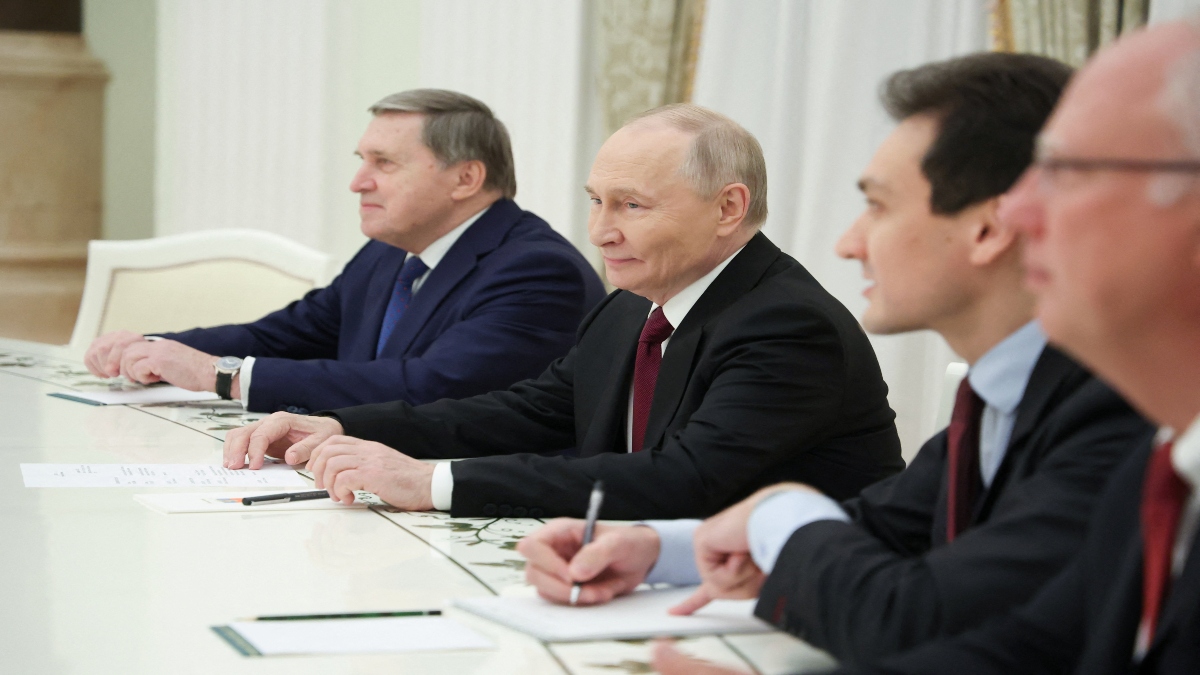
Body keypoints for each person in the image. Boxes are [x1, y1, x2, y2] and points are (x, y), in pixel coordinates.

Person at [517, 51, 1154, 668]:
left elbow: (913, 615)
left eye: (878, 206)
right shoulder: (1006, 389)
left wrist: (776, 510)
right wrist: (658, 549)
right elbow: (885, 524)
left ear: (989, 229)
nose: (849, 244)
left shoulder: (1123, 409)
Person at [221, 104, 905, 519]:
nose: (601, 232)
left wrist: (431, 481)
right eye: (596, 201)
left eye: (631, 205)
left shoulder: (786, 324)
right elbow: (530, 409)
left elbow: (683, 479)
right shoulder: (632, 306)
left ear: (728, 207)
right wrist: (342, 424)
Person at [826, 17, 1200, 675]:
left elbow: (932, 615)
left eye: (1070, 172)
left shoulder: (1123, 423)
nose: (1023, 212)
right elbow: (1024, 650)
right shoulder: (1161, 460)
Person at [83, 89, 605, 413]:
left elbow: (431, 387)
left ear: (465, 178)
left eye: (384, 163)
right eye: (362, 160)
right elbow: (288, 334)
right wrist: (157, 349)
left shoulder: (537, 270)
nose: (358, 182)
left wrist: (221, 375)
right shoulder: (390, 252)